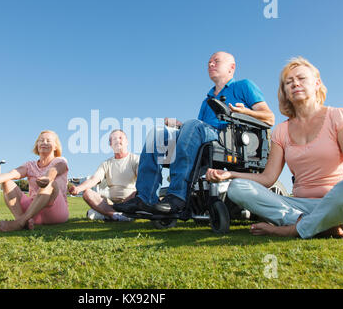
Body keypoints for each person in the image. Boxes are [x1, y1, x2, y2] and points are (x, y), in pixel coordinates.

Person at [114, 51, 275, 215]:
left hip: (229, 139)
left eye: (216, 61)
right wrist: (180, 126)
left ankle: (177, 196)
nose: (210, 64)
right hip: (204, 136)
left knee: (192, 125)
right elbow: (196, 131)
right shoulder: (207, 100)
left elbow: (269, 118)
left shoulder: (244, 86)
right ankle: (145, 198)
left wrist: (245, 112)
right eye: (209, 62)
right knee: (158, 134)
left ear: (231, 67)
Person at [206, 57, 343, 239]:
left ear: (317, 83)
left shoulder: (338, 116)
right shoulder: (281, 130)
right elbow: (267, 178)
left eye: (301, 78)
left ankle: (292, 229)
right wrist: (230, 175)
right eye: (289, 82)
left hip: (334, 200)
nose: (295, 84)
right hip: (298, 205)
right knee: (236, 188)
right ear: (285, 92)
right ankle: (315, 223)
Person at [0, 130, 69, 232]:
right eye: (41, 140)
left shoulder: (60, 161)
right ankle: (23, 220)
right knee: (7, 181)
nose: (44, 143)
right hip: (33, 210)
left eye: (48, 141)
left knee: (50, 183)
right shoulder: (30, 165)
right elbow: (10, 174)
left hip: (55, 211)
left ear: (56, 146)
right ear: (37, 145)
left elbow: (54, 170)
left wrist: (47, 178)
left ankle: (20, 222)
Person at [69, 129, 139, 222]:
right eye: (114, 139)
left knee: (138, 193)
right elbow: (94, 179)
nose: (117, 140)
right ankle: (116, 215)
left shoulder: (136, 159)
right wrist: (78, 188)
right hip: (111, 203)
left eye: (120, 138)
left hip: (129, 200)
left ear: (127, 142)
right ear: (111, 145)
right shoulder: (106, 163)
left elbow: (143, 178)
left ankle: (108, 215)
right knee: (87, 193)